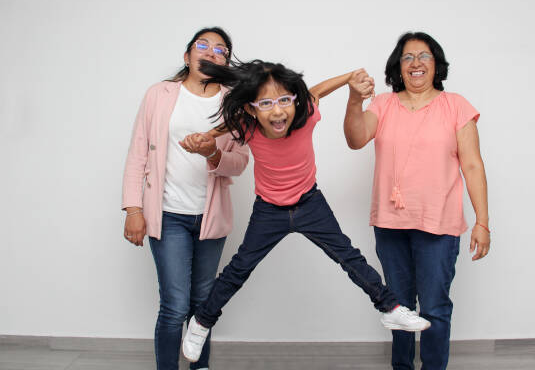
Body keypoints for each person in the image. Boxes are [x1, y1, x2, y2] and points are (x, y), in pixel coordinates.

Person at [178, 59, 432, 362]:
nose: (278, 111)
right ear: (251, 109)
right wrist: (205, 138)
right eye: (267, 103)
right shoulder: (246, 125)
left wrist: (349, 75)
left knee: (348, 256)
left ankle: (391, 309)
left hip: (310, 203)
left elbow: (317, 90)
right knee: (239, 269)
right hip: (269, 210)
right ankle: (201, 322)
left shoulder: (306, 112)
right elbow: (225, 125)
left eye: (285, 100)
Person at [343, 32, 490, 370]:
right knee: (398, 308)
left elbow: (472, 164)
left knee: (435, 307)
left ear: (436, 64)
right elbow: (355, 139)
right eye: (408, 57)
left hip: (439, 224)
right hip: (390, 225)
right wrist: (354, 100)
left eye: (424, 56)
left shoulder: (456, 106)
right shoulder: (382, 104)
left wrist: (482, 221)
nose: (416, 63)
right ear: (399, 66)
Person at [121, 27, 249, 370]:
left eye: (221, 50)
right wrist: (133, 208)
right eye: (202, 45)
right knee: (175, 305)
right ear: (187, 55)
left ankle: (200, 365)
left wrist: (213, 153)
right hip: (167, 214)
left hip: (210, 220)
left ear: (226, 62)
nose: (210, 52)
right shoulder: (159, 95)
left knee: (202, 304)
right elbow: (138, 154)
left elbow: (239, 163)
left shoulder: (234, 104)